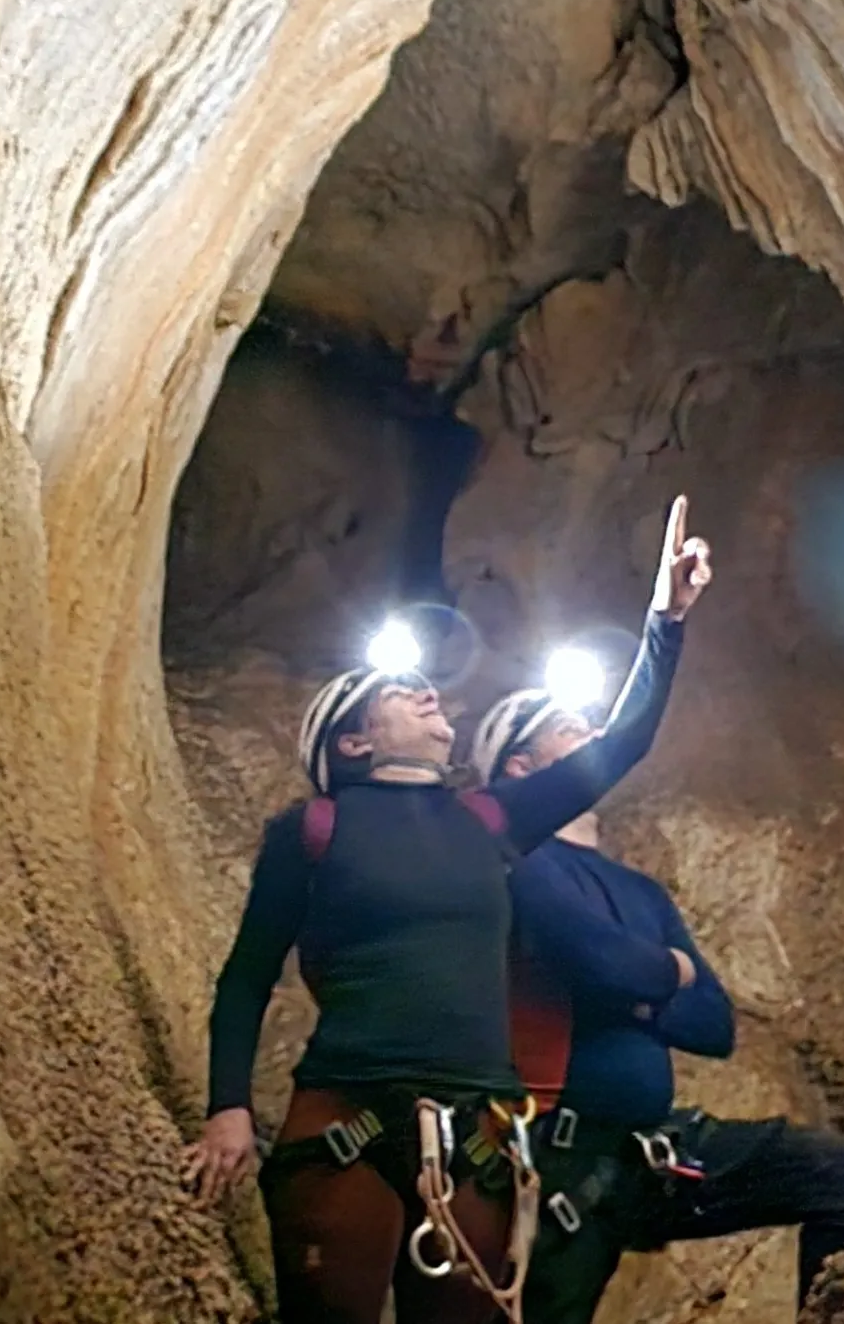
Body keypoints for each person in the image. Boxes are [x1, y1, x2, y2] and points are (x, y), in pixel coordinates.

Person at [183, 496, 713, 1324]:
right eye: (399, 693)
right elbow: (247, 976)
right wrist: (228, 1111)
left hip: (477, 1137)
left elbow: (621, 744)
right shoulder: (314, 829)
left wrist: (664, 621)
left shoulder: (490, 821)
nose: (428, 693)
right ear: (352, 743)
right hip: (343, 1124)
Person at [467, 693, 844, 1324]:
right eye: (572, 727)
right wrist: (656, 976)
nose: (597, 731)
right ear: (521, 766)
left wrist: (629, 994)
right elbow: (604, 966)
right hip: (557, 1160)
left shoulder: (640, 892)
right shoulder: (518, 861)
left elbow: (714, 1025)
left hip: (653, 1151)